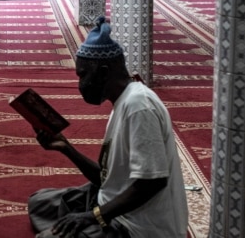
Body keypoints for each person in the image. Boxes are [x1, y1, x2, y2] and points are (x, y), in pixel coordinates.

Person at [28, 17, 188, 238]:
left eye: (83, 75)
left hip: (137, 227)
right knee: (40, 203)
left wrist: (94, 216)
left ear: (103, 72)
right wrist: (66, 148)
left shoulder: (139, 107)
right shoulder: (123, 101)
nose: (80, 85)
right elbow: (108, 179)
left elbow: (152, 183)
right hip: (111, 201)